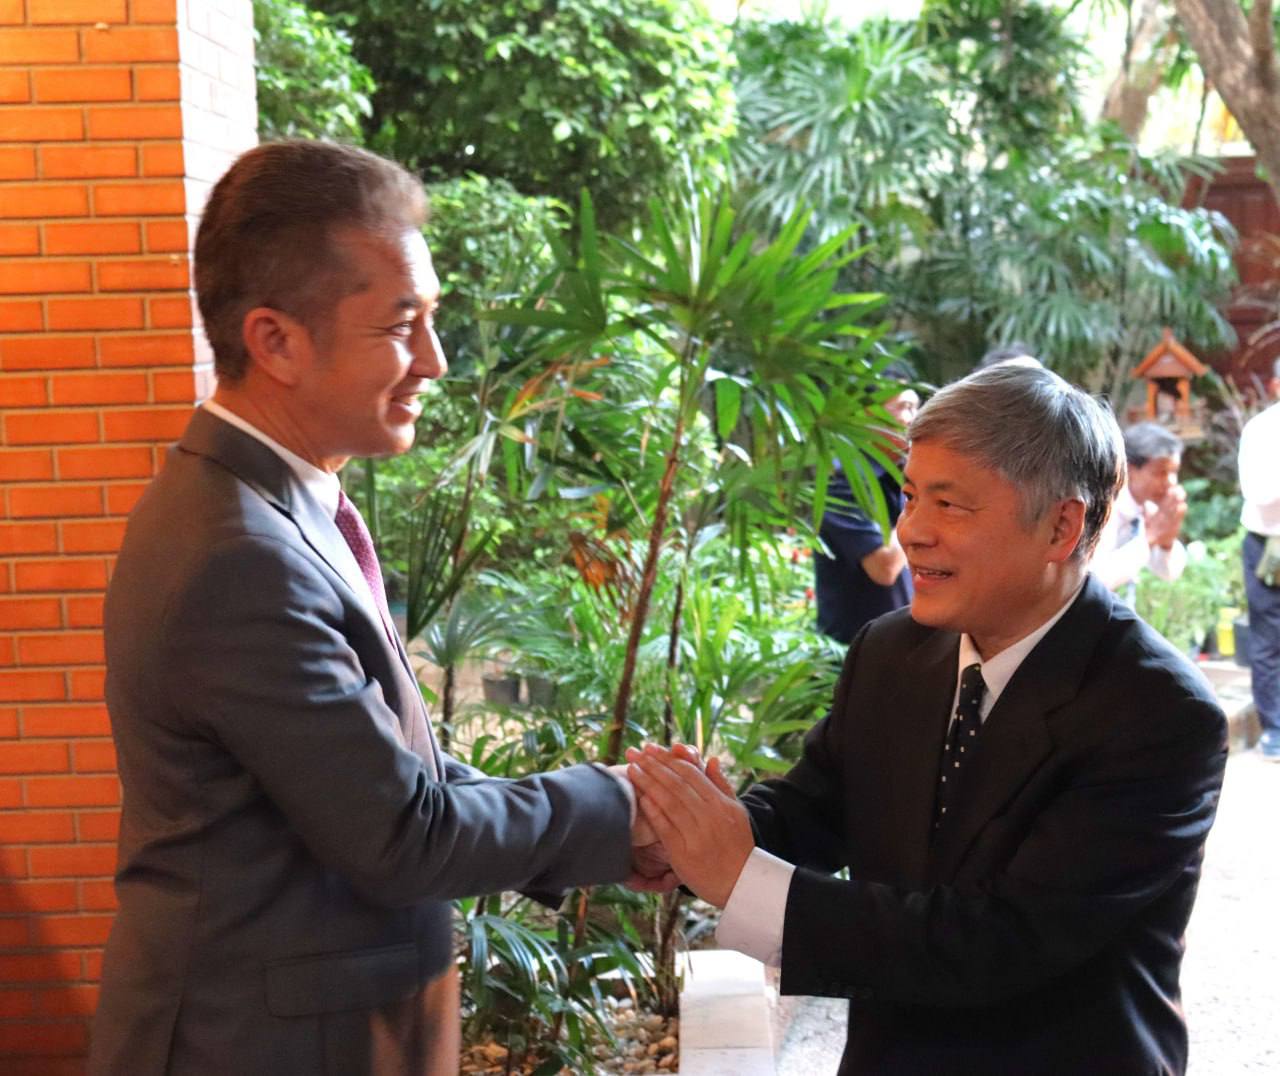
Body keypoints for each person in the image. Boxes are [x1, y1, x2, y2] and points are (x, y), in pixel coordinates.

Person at [90, 141, 659, 1076]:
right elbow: (403, 834)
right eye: (401, 326)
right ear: (275, 341)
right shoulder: (239, 555)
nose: (435, 361)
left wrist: (599, 829)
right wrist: (626, 806)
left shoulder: (269, 507)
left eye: (432, 319)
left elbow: (374, 778)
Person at [629, 364, 1228, 1074]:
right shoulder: (893, 651)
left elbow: (996, 944)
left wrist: (738, 877)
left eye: (950, 505)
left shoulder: (1158, 712)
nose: (911, 531)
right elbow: (814, 809)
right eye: (910, 496)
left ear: (1061, 526)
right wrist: (680, 830)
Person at [814, 376, 919, 644]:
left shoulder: (902, 475)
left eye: (916, 407)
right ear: (867, 415)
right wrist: (921, 504)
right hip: (858, 650)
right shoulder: (842, 479)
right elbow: (884, 567)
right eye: (904, 407)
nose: (914, 419)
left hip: (904, 643)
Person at [1092, 421, 1187, 599]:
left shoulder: (1147, 508)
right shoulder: (1100, 507)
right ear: (1129, 469)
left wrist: (1166, 541)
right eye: (1161, 473)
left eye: (1174, 472)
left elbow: (1168, 573)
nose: (1171, 482)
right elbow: (1093, 582)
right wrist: (1151, 538)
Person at [1239, 358, 1280, 762]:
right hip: (1268, 542)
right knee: (1268, 638)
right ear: (1276, 386)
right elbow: (1258, 492)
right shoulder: (1261, 430)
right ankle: (1275, 730)